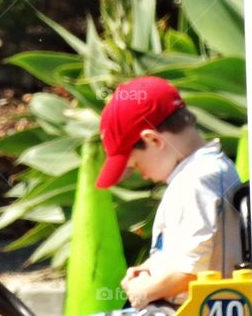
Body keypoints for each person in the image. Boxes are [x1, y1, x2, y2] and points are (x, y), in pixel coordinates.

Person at [95, 76, 242, 315]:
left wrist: (144, 291)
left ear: (153, 140)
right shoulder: (202, 173)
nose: (141, 175)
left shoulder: (198, 180)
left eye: (135, 164)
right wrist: (149, 268)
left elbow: (194, 271)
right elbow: (191, 252)